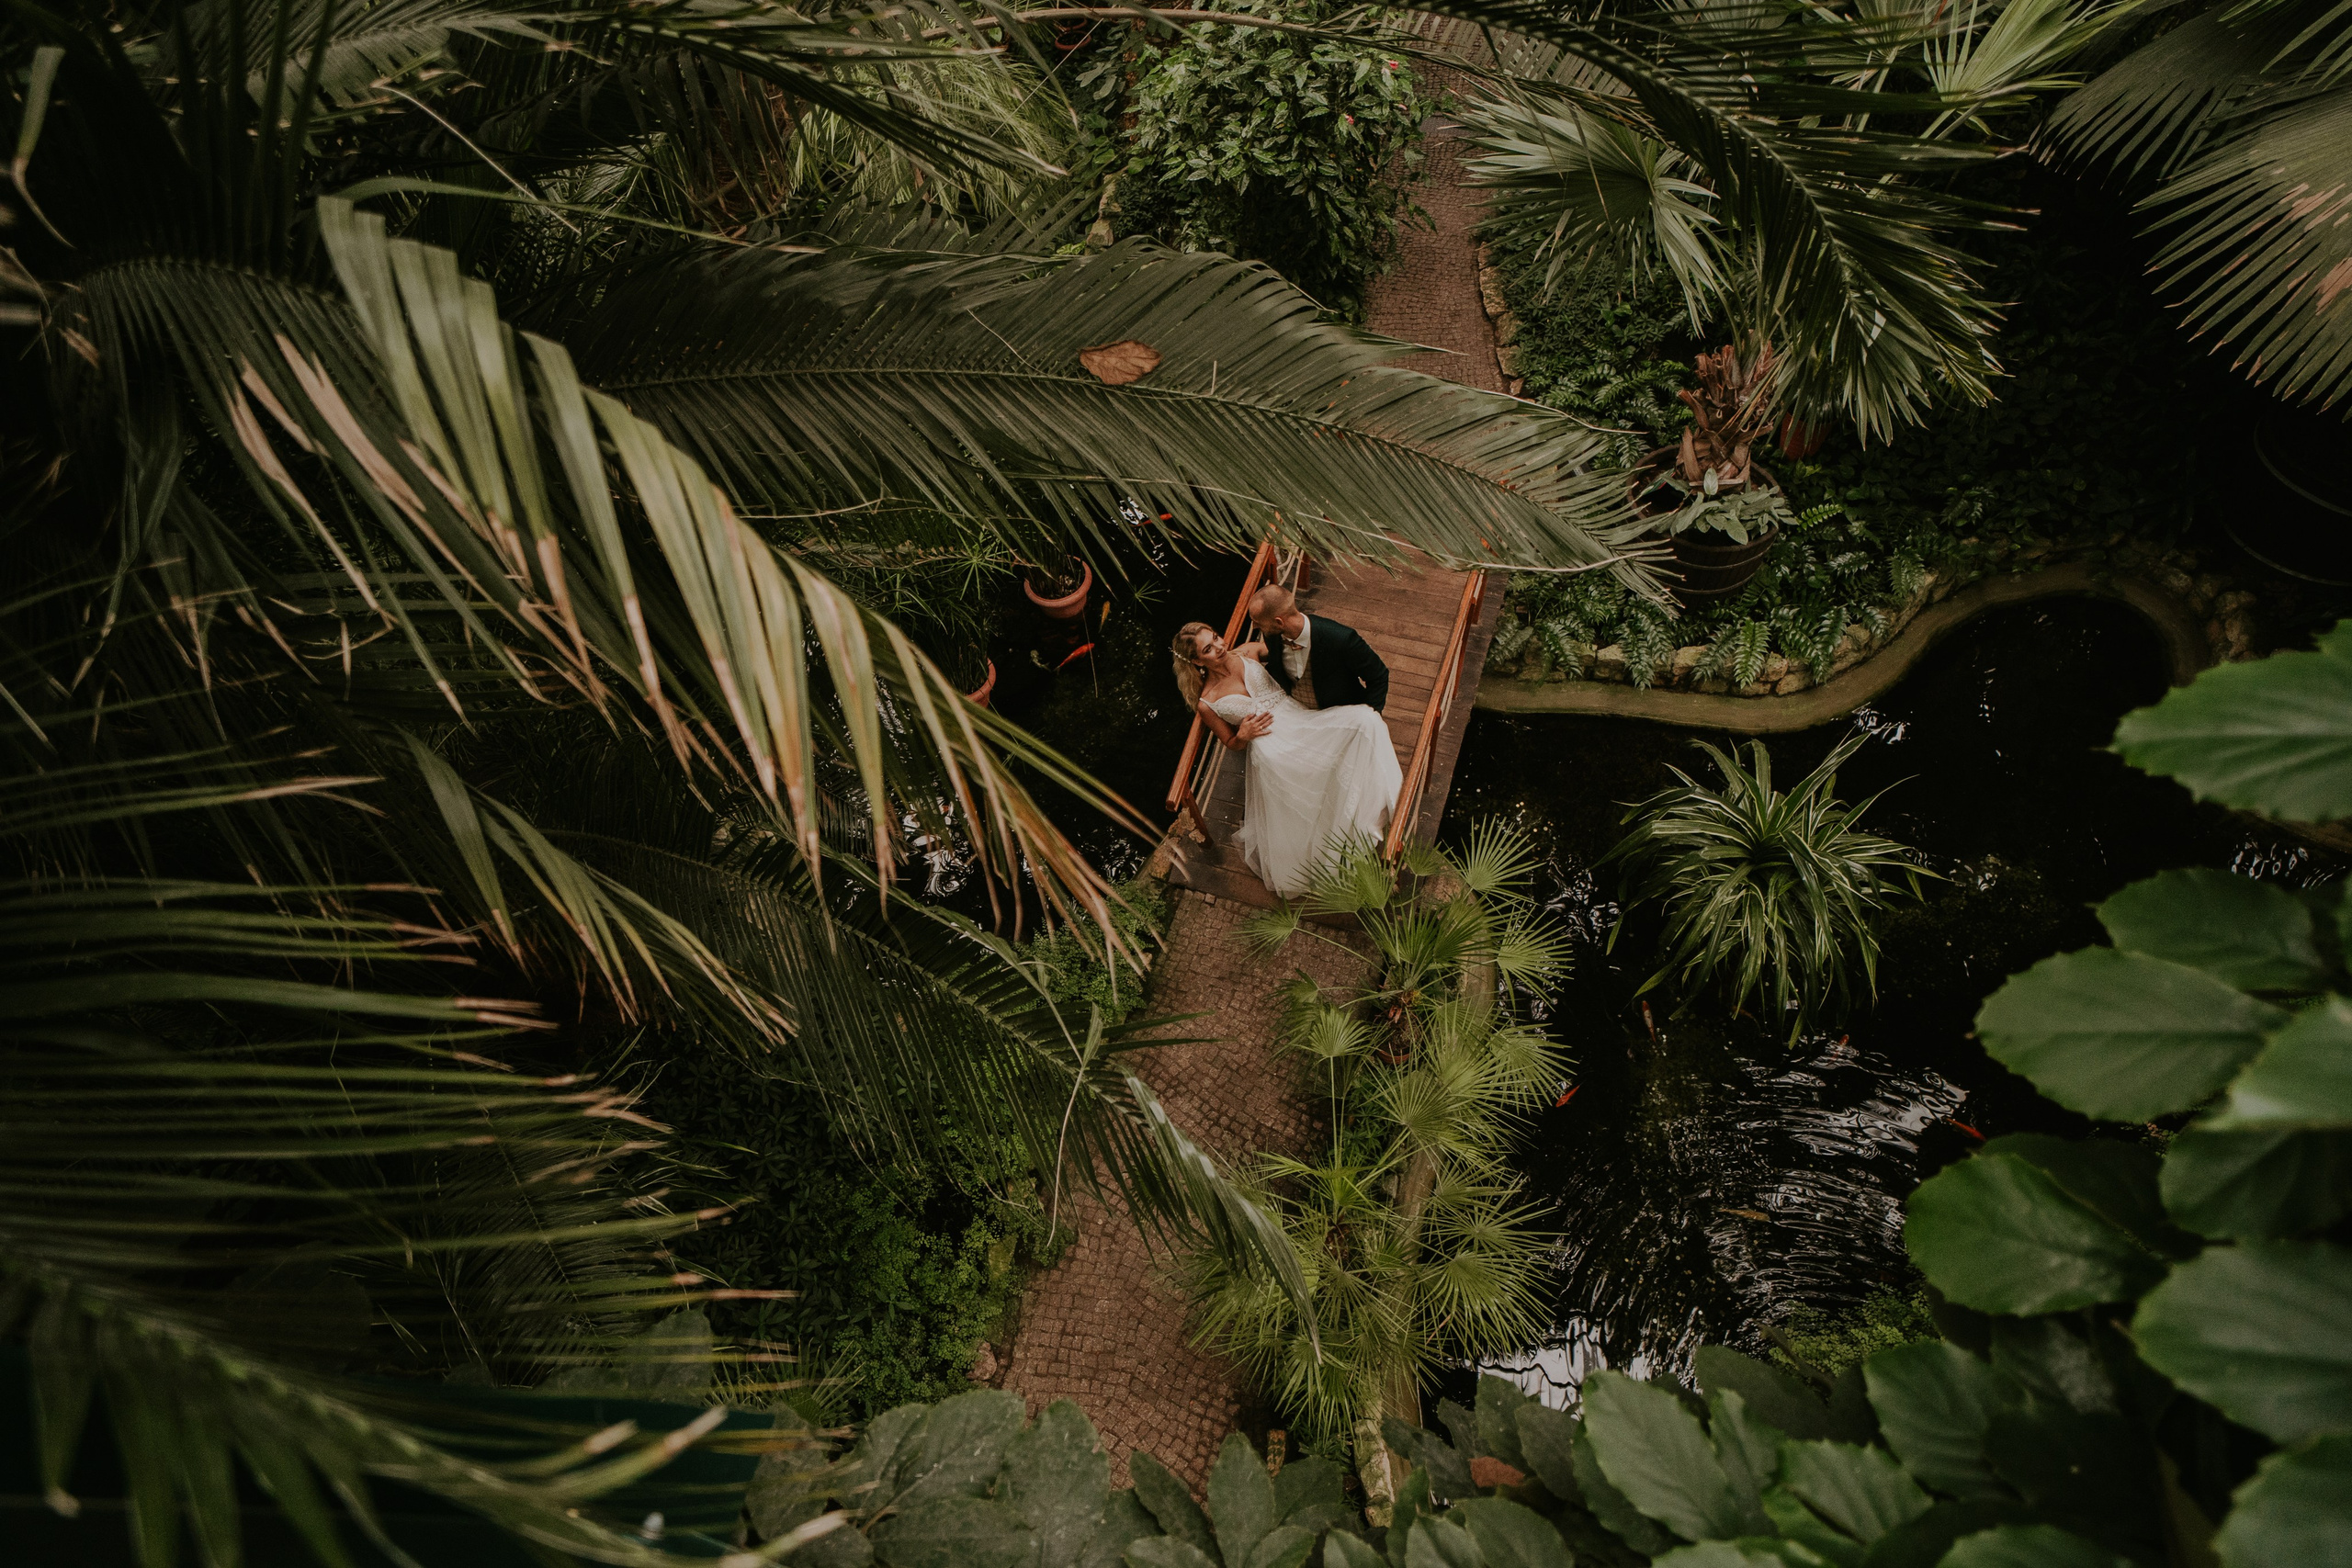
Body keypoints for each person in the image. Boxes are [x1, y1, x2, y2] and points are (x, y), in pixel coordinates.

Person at [1171, 617, 1402, 897]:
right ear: (1196, 662)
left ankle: (1382, 805)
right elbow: (1232, 744)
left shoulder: (1248, 652)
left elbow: (1294, 648)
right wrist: (1242, 734)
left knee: (1365, 720)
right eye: (1208, 649)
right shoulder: (1206, 702)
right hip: (1268, 744)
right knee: (1284, 765)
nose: (1219, 647)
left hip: (1297, 717)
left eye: (1217, 637)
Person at [1244, 582, 1387, 714]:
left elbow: (1378, 676)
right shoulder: (1272, 635)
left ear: (1279, 622)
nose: (1255, 627)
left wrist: (1370, 716)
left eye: (1258, 623)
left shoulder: (1342, 638)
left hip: (1341, 714)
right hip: (1298, 713)